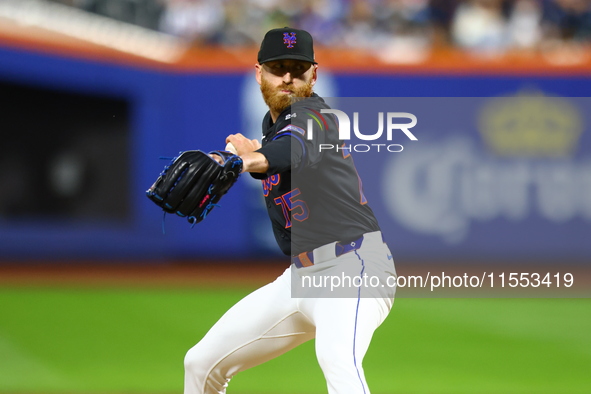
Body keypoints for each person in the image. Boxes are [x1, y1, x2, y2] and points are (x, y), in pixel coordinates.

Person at [184, 27, 396, 394]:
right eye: (277, 67)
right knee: (201, 363)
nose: (287, 77)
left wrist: (244, 161)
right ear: (258, 73)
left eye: (297, 69)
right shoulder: (273, 130)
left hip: (353, 268)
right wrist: (255, 157)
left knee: (339, 362)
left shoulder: (318, 118)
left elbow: (290, 151)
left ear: (313, 75)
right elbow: (283, 160)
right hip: (300, 277)